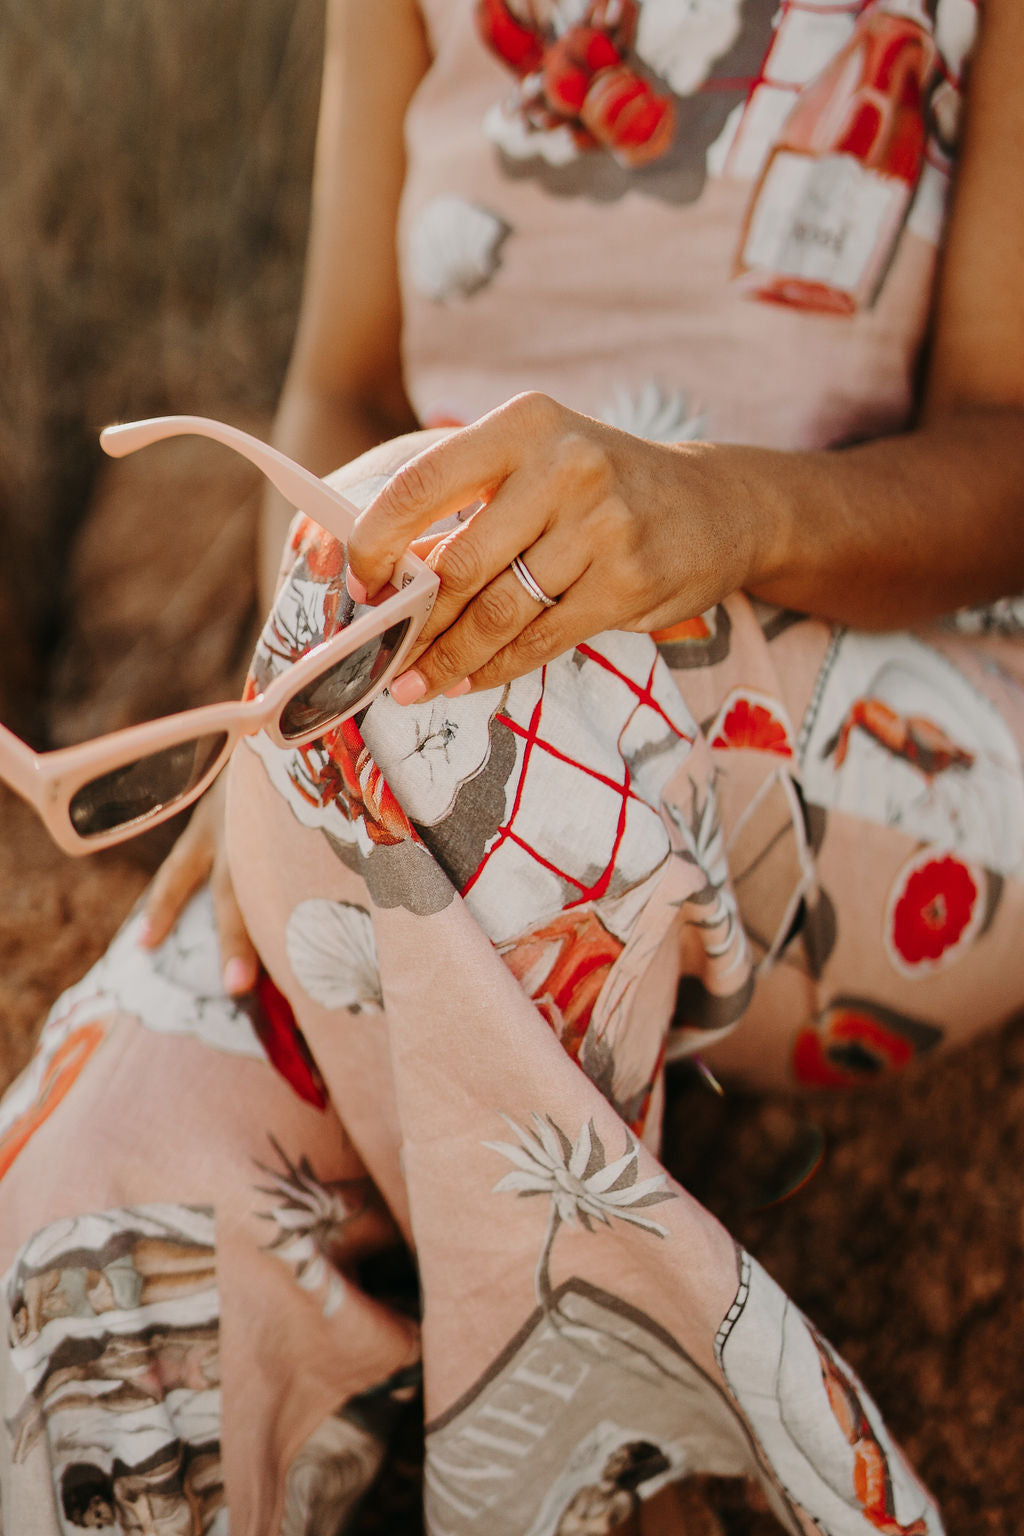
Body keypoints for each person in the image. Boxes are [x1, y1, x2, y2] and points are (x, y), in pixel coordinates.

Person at [2, 0, 1023, 1532]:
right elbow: (343, 392)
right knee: (88, 1246)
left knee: (472, 696)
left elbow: (1012, 451)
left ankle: (608, 1487)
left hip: (878, 738)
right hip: (428, 710)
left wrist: (721, 512)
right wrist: (290, 722)